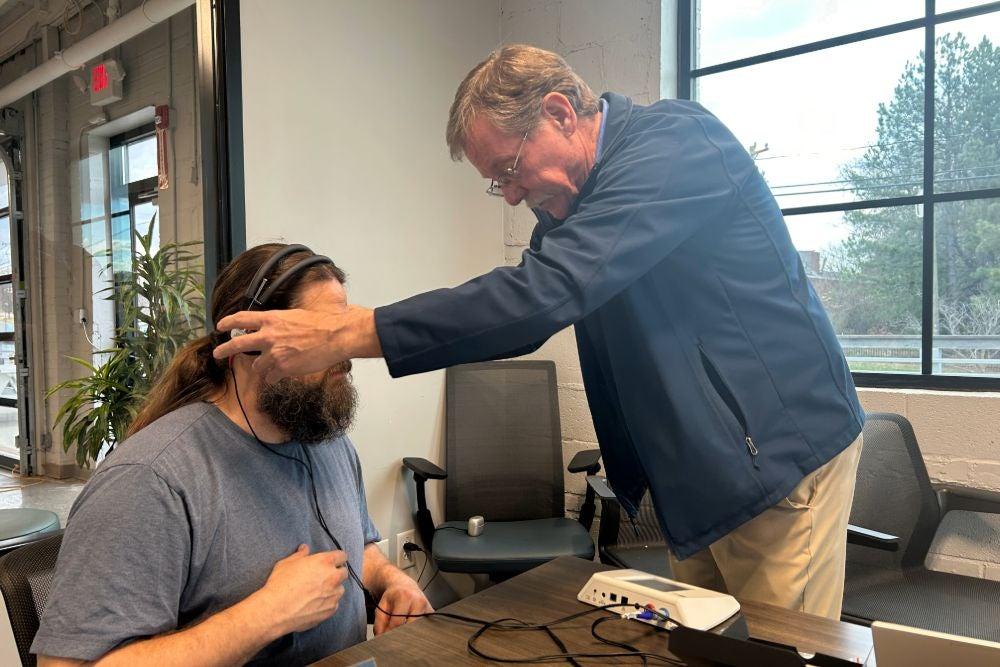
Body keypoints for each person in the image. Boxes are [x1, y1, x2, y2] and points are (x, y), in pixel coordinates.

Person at [214, 45, 866, 620]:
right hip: (703, 470)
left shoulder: (674, 147)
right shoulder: (566, 217)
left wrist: (352, 331)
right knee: (708, 642)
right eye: (494, 180)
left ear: (559, 111)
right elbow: (534, 312)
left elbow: (539, 298)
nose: (508, 192)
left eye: (508, 168)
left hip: (779, 460)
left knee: (780, 651)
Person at [33, 244, 432, 666]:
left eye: (343, 332)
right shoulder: (151, 479)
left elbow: (357, 547)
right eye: (322, 336)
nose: (346, 354)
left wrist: (391, 582)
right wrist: (268, 614)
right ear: (247, 344)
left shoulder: (327, 440)